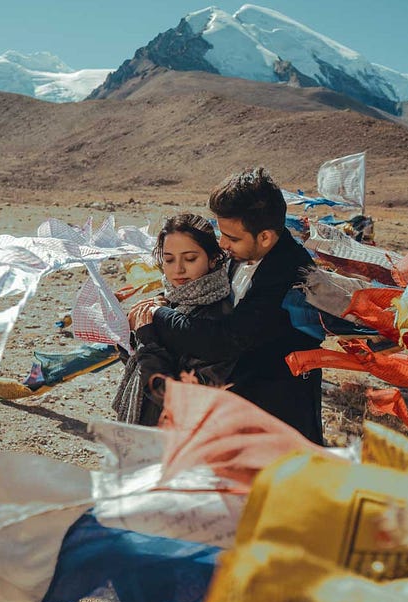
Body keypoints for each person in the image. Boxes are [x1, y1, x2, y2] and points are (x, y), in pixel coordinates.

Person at [129, 167, 324, 444]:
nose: (223, 244)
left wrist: (155, 316)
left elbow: (223, 340)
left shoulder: (293, 275)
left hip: (275, 418)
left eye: (232, 238)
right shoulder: (244, 254)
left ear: (265, 237)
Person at [112, 213, 233, 426]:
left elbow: (178, 400)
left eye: (190, 259)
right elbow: (141, 369)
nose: (178, 269)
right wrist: (128, 341)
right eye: (169, 259)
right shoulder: (169, 300)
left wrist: (147, 343)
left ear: (213, 258)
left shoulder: (216, 318)